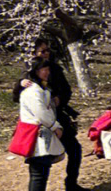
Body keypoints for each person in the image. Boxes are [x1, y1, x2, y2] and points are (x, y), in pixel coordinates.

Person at [13, 40, 83, 191]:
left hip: (56, 117)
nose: (47, 54)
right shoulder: (30, 81)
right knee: (40, 166)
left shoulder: (54, 69)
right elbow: (35, 108)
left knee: (74, 150)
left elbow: (66, 90)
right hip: (41, 127)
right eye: (42, 51)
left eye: (48, 50)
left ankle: (71, 184)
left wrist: (59, 99)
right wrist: (20, 84)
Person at [16, 60, 66, 191]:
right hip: (37, 137)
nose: (47, 73)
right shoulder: (33, 91)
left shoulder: (41, 90)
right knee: (39, 174)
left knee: (41, 174)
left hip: (42, 137)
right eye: (45, 69)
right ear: (36, 72)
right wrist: (55, 126)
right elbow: (41, 113)